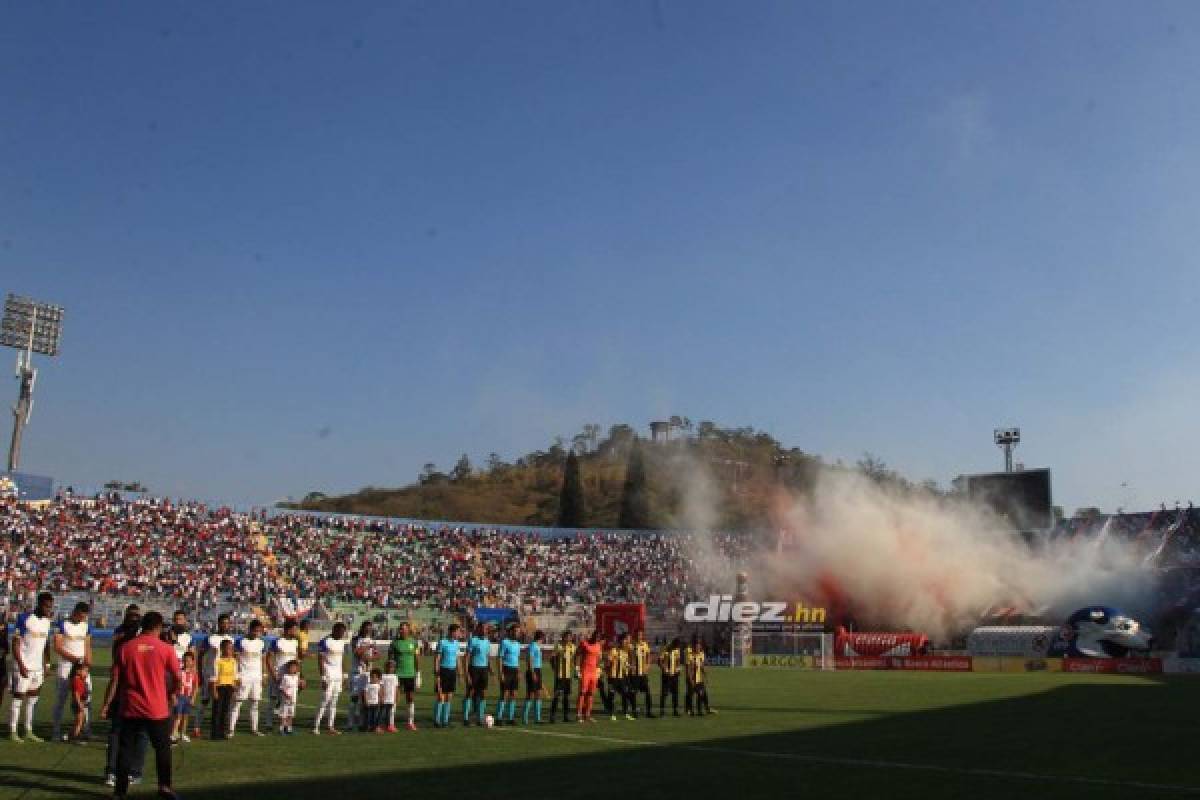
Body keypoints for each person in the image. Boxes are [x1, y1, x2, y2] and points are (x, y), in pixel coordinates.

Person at [100, 610, 183, 800]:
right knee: (162, 748)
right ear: (159, 627)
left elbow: (115, 680)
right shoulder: (166, 649)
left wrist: (107, 704)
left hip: (130, 706)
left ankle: (120, 791)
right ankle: (164, 786)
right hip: (156, 708)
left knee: (125, 749)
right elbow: (177, 678)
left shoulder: (126, 648)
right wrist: (172, 694)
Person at [105, 605, 146, 787]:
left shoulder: (144, 637)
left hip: (140, 689)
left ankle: (134, 771)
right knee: (117, 732)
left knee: (140, 734)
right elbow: (115, 665)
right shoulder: (120, 635)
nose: (134, 619)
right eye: (131, 616)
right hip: (123, 688)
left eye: (137, 616)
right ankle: (112, 770)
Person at [9, 591, 54, 742]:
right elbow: (15, 644)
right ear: (39, 604)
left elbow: (46, 644)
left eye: (50, 607)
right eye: (47, 606)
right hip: (23, 665)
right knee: (18, 698)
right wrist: (20, 664)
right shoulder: (24, 618)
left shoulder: (47, 622)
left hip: (38, 668)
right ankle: (12, 730)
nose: (49, 609)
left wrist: (47, 664)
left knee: (32, 700)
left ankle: (28, 730)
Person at [52, 601, 92, 741]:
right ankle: (56, 731)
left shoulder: (86, 626)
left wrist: (87, 664)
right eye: (81, 615)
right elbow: (57, 647)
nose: (83, 619)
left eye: (85, 616)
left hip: (81, 667)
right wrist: (74, 659)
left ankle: (84, 730)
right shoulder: (63, 624)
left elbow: (87, 646)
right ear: (75, 612)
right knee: (61, 699)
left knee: (86, 698)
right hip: (66, 665)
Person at [230, 619, 266, 736]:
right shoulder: (240, 642)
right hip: (243, 676)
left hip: (256, 677)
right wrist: (236, 676)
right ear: (250, 629)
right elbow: (234, 660)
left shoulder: (261, 643)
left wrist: (264, 675)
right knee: (237, 703)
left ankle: (254, 729)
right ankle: (231, 729)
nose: (257, 633)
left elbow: (263, 659)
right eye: (255, 631)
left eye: (259, 631)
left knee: (255, 703)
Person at [201, 614, 235, 735]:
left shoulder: (231, 639)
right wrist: (200, 672)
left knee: (223, 707)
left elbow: (231, 659)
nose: (225, 625)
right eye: (223, 623)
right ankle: (197, 727)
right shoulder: (210, 638)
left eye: (227, 623)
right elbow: (201, 655)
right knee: (205, 702)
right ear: (218, 623)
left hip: (224, 679)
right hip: (210, 675)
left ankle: (220, 730)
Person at [313, 622, 348, 735]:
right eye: (341, 632)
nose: (343, 634)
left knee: (334, 702)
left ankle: (330, 726)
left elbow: (342, 659)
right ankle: (316, 726)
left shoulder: (342, 642)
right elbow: (320, 660)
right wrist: (323, 677)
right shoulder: (325, 641)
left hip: (338, 677)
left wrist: (344, 675)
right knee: (324, 701)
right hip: (328, 676)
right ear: (335, 630)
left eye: (344, 632)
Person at [387, 622, 419, 731]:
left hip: (410, 674)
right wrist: (390, 673)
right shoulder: (394, 643)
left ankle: (410, 722)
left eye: (403, 629)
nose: (401, 630)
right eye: (400, 629)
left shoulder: (414, 642)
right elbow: (390, 659)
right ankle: (391, 724)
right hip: (398, 674)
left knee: (410, 698)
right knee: (395, 698)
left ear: (408, 630)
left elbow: (416, 658)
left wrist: (418, 673)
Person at [267, 619, 301, 716]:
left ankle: (285, 725)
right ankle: (269, 723)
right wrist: (273, 675)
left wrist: (299, 676)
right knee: (273, 699)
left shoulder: (295, 642)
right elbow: (268, 659)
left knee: (290, 699)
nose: (296, 631)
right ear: (288, 630)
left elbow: (297, 660)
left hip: (291, 677)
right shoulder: (277, 641)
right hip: (278, 676)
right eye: (294, 629)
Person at [432, 624, 463, 728]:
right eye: (458, 631)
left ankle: (445, 721)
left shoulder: (456, 643)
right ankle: (437, 720)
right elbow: (437, 658)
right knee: (441, 696)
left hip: (452, 672)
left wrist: (460, 673)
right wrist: (437, 672)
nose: (459, 634)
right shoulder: (442, 642)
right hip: (443, 671)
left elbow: (457, 658)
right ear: (452, 632)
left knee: (449, 697)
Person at [463, 623, 492, 727]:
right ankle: (465, 718)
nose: (485, 630)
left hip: (483, 670)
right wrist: (466, 673)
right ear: (479, 629)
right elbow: (466, 657)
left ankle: (480, 718)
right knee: (470, 692)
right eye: (483, 628)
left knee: (483, 693)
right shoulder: (473, 640)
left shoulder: (488, 642)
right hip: (474, 669)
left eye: (486, 629)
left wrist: (490, 669)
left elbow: (487, 656)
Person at [348, 621, 376, 731]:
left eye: (370, 628)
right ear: (362, 628)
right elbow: (357, 653)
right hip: (356, 673)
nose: (368, 630)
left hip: (367, 674)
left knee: (365, 700)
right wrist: (368, 647)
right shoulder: (356, 639)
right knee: (354, 699)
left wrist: (370, 658)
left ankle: (361, 723)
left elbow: (377, 654)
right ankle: (350, 723)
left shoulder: (371, 640)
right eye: (367, 628)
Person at [574, 629, 603, 723]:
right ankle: (578, 714)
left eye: (599, 637)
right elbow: (577, 654)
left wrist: (598, 669)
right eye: (597, 636)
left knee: (591, 694)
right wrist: (577, 668)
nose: (598, 638)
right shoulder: (584, 643)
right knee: (582, 693)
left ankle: (587, 714)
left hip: (593, 673)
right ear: (593, 636)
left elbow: (598, 659)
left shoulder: (598, 646)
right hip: (585, 671)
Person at [496, 624, 522, 726]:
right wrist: (500, 673)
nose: (517, 633)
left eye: (518, 631)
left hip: (514, 670)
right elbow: (500, 658)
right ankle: (499, 718)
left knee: (514, 695)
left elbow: (517, 659)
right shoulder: (504, 642)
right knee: (504, 694)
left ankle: (510, 718)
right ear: (511, 632)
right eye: (516, 631)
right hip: (506, 670)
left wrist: (519, 671)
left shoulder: (517, 644)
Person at [213, 639, 238, 739]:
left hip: (229, 687)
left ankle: (222, 732)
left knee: (225, 711)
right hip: (220, 687)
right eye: (228, 648)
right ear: (222, 649)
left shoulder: (233, 661)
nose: (230, 650)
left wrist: (234, 686)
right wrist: (214, 690)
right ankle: (215, 733)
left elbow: (235, 675)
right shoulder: (218, 661)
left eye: (231, 648)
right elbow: (214, 676)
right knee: (217, 711)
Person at [171, 652, 199, 744]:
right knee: (177, 716)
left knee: (185, 717)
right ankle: (173, 733)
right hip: (179, 697)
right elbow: (174, 685)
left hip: (188, 697)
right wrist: (174, 696)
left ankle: (182, 734)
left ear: (192, 662)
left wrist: (193, 698)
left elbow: (195, 687)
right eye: (185, 660)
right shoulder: (179, 672)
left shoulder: (194, 674)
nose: (186, 662)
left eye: (189, 661)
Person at [548, 631, 575, 724]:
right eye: (567, 637)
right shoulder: (558, 646)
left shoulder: (572, 647)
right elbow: (551, 658)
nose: (568, 639)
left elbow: (574, 658)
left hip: (567, 676)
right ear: (563, 637)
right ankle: (552, 716)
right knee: (557, 696)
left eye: (570, 637)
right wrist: (554, 668)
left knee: (566, 697)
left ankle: (566, 716)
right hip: (559, 676)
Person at [603, 633, 632, 721]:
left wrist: (628, 666)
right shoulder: (614, 651)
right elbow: (608, 663)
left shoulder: (625, 652)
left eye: (628, 639)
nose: (627, 641)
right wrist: (608, 673)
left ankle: (626, 713)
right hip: (613, 677)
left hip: (622, 677)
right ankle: (611, 713)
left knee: (625, 694)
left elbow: (624, 663)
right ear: (621, 641)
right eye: (626, 639)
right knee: (612, 695)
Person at [628, 629, 654, 719]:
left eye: (641, 635)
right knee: (633, 693)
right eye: (638, 635)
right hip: (634, 674)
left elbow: (648, 656)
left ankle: (649, 711)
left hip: (643, 674)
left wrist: (648, 665)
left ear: (642, 636)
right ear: (635, 635)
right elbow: (629, 658)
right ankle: (634, 711)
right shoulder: (631, 646)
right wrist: (631, 667)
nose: (639, 636)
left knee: (648, 692)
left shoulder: (645, 645)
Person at [522, 630, 545, 725]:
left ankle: (537, 718)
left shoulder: (537, 646)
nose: (543, 639)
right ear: (540, 637)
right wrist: (532, 672)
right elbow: (530, 660)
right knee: (530, 694)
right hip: (533, 671)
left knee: (538, 694)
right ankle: (525, 718)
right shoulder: (532, 646)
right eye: (543, 638)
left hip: (538, 670)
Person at [685, 635, 711, 716]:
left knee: (701, 694)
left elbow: (702, 666)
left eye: (699, 646)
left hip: (699, 679)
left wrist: (705, 675)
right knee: (690, 695)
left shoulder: (701, 654)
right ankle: (689, 710)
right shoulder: (690, 655)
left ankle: (699, 711)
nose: (698, 648)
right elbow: (688, 668)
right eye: (696, 646)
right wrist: (690, 679)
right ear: (694, 647)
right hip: (692, 678)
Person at [277, 659, 303, 735]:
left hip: (293, 699)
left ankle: (289, 729)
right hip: (286, 699)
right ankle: (281, 729)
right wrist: (286, 695)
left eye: (295, 667)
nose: (293, 669)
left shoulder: (296, 677)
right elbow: (281, 688)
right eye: (291, 667)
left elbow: (297, 686)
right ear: (288, 668)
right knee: (283, 714)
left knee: (291, 714)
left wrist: (301, 683)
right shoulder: (285, 677)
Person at [658, 638, 682, 717]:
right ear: (673, 644)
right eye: (676, 646)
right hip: (666, 675)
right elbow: (659, 661)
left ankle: (675, 710)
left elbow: (678, 661)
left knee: (675, 694)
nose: (677, 648)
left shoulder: (677, 650)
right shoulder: (665, 649)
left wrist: (678, 669)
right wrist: (664, 669)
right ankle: (662, 711)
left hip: (674, 675)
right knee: (664, 694)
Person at [68, 662, 90, 744]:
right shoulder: (77, 681)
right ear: (78, 671)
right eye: (85, 671)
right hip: (78, 703)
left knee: (79, 720)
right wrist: (79, 704)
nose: (87, 673)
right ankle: (75, 737)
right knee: (79, 721)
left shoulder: (80, 680)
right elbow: (76, 694)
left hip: (80, 703)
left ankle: (71, 734)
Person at [379, 660, 399, 733]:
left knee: (390, 713)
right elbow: (381, 687)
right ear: (386, 667)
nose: (390, 669)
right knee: (382, 712)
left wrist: (396, 697)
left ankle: (389, 726)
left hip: (391, 698)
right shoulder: (383, 676)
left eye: (392, 667)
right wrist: (381, 697)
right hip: (384, 698)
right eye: (389, 667)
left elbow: (396, 688)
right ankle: (380, 726)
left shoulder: (395, 677)